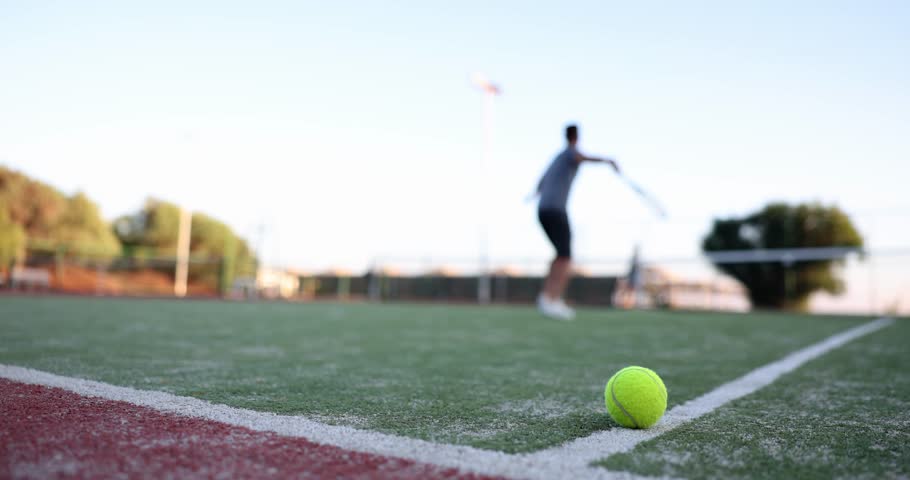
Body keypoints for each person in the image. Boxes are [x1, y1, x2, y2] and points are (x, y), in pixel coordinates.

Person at [534, 124, 619, 320]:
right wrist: (608, 161)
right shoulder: (571, 153)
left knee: (560, 255)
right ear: (577, 137)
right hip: (556, 210)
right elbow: (582, 158)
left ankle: (546, 297)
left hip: (543, 210)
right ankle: (553, 300)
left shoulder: (556, 157)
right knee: (566, 257)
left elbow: (541, 182)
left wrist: (536, 193)